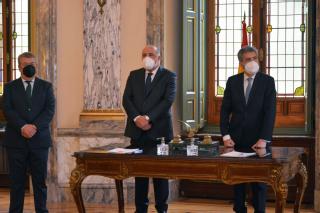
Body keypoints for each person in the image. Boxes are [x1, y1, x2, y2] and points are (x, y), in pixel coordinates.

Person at [220, 46, 276, 213]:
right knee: (238, 182)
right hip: (235, 141)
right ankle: (239, 209)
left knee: (259, 183)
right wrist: (225, 136)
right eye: (248, 59)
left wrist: (264, 139)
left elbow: (270, 112)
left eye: (254, 58)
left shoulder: (268, 81)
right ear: (241, 62)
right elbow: (224, 110)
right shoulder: (232, 81)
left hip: (258, 142)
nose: (252, 62)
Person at [122, 45, 176, 213]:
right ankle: (141, 209)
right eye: (144, 54)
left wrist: (147, 118)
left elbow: (167, 101)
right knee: (140, 174)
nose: (147, 57)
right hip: (138, 132)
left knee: (160, 174)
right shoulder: (134, 75)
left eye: (151, 54)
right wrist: (137, 118)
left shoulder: (168, 76)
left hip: (159, 133)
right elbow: (126, 99)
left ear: (158, 57)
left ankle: (162, 208)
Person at [3, 52, 55, 213]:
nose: (30, 67)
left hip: (39, 141)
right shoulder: (10, 87)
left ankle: (41, 210)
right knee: (17, 182)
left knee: (40, 182)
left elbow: (49, 110)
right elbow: (7, 109)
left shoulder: (46, 86)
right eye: (26, 64)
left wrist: (34, 127)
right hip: (16, 142)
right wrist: (22, 127)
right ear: (19, 67)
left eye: (33, 63)